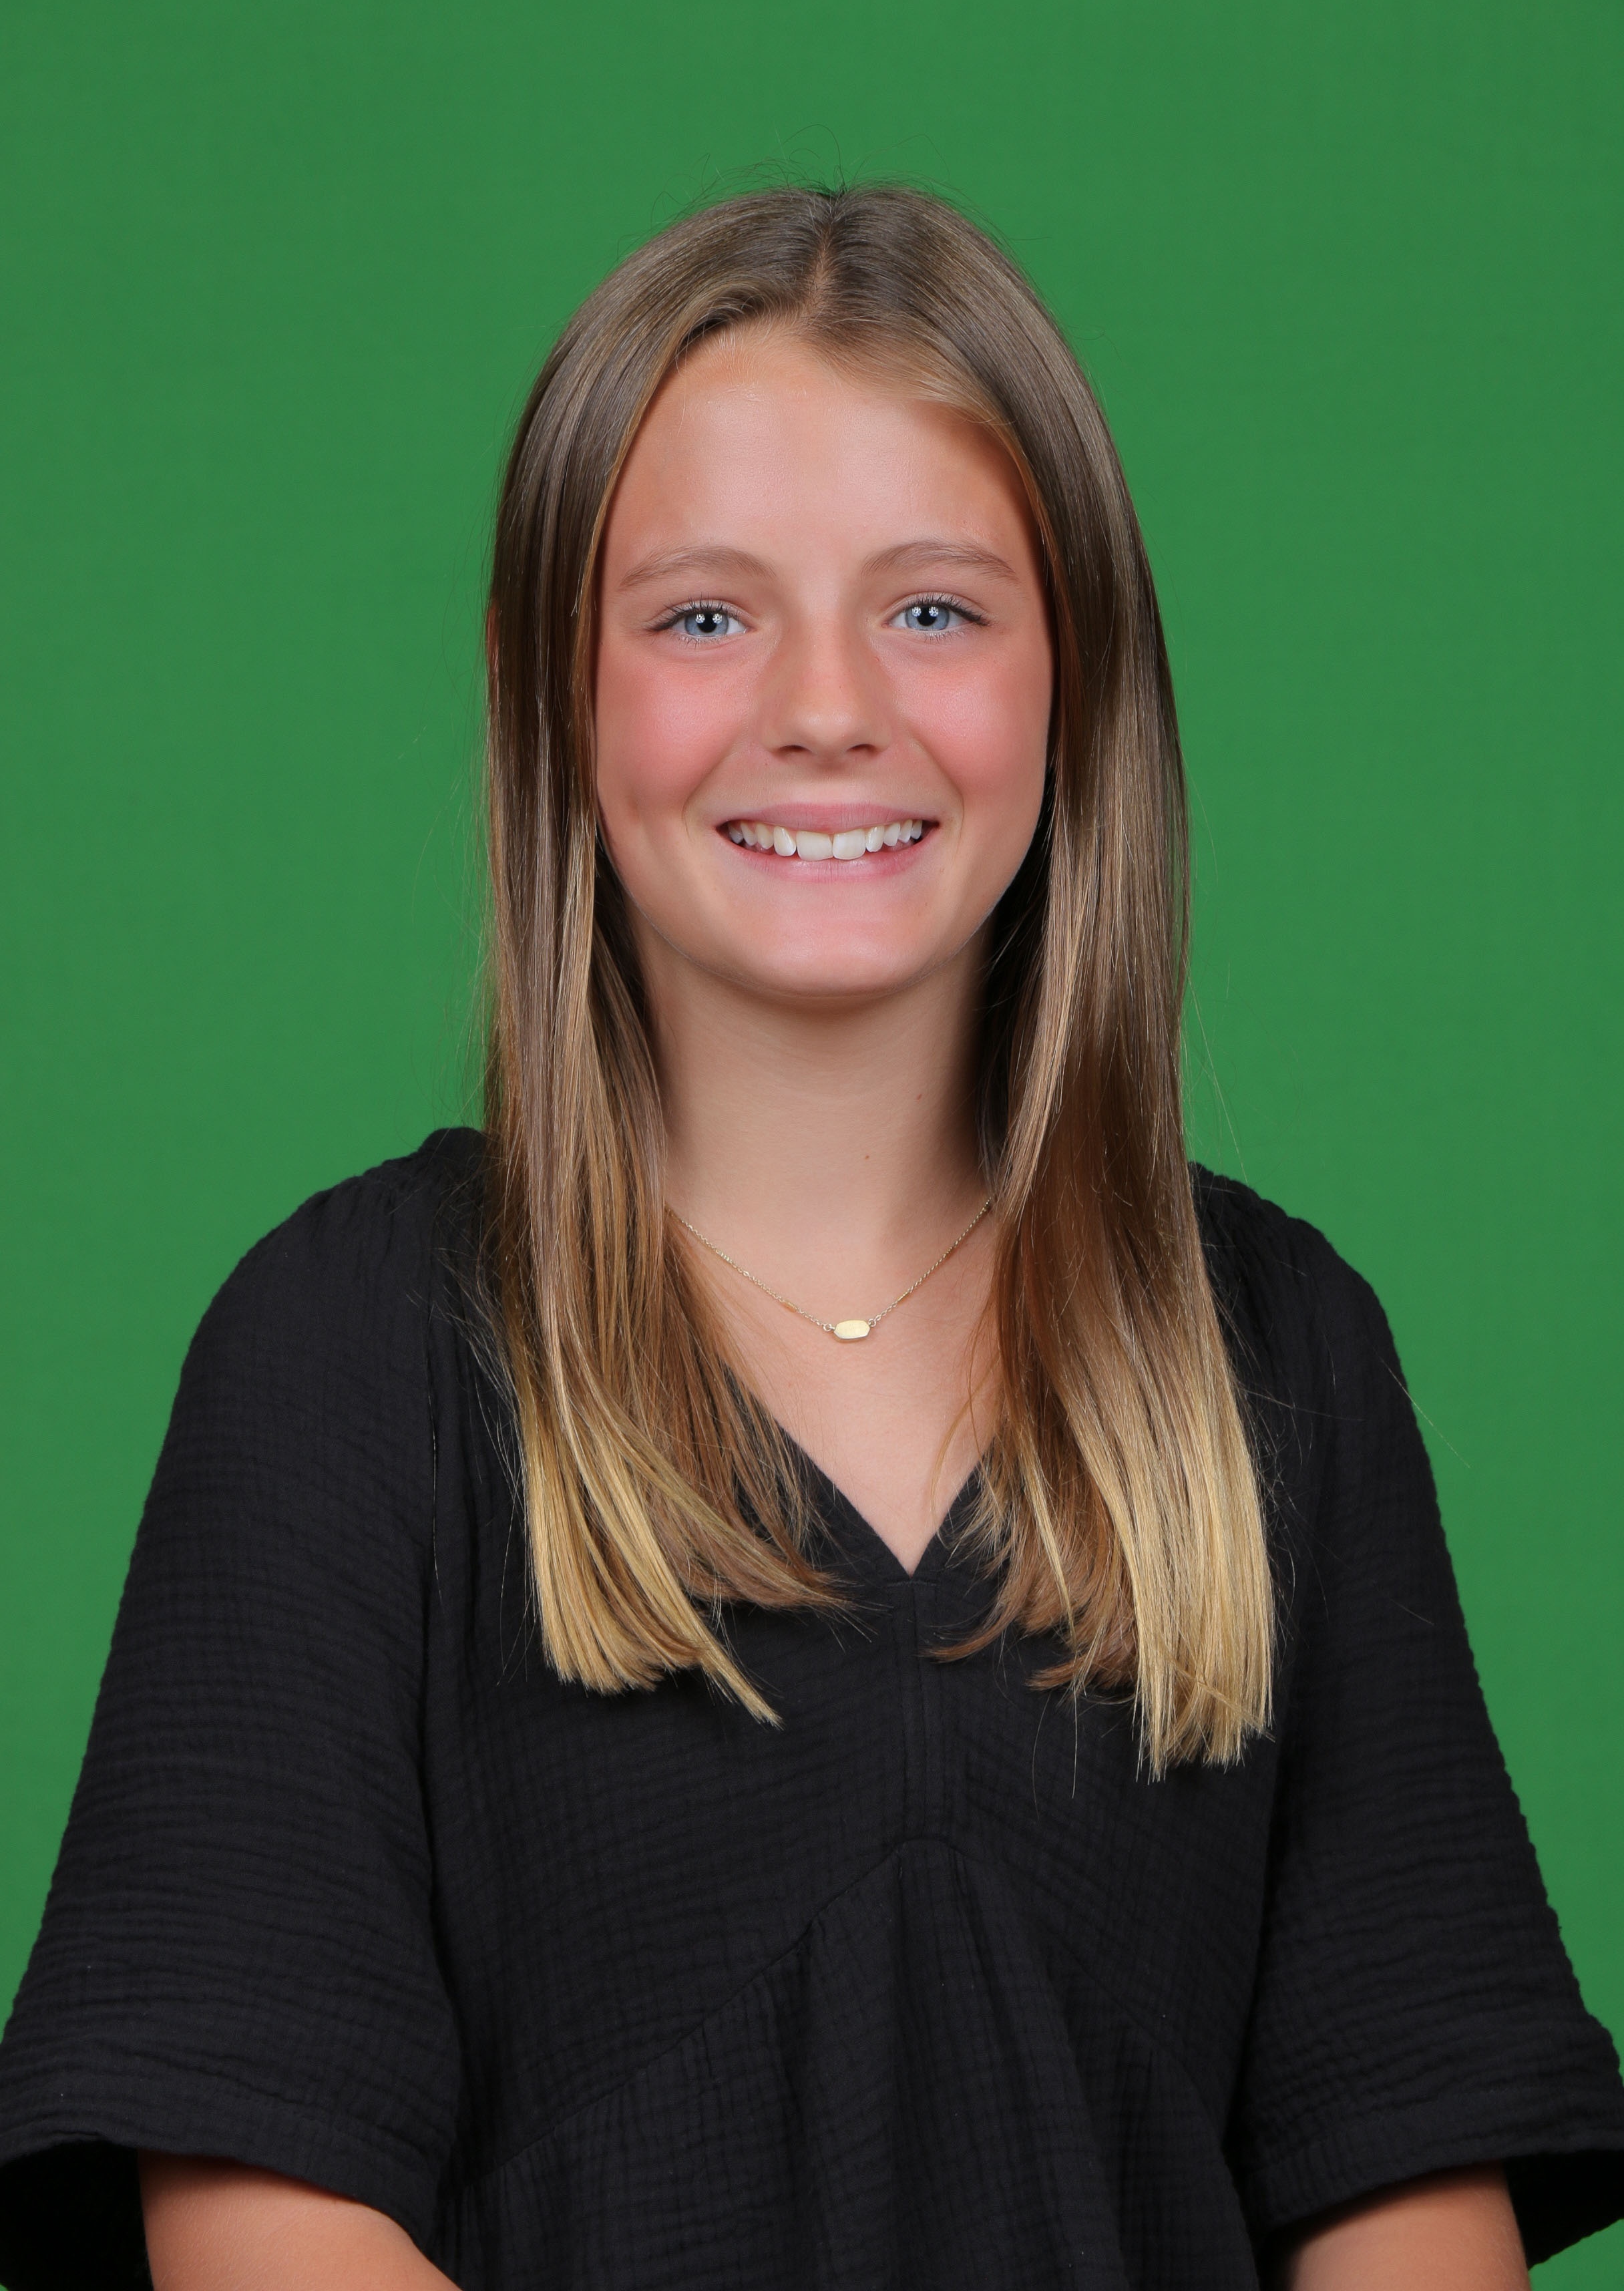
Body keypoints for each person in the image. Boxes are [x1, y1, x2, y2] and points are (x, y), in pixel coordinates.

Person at [0, 184, 1619, 2291]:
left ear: (1079, 680)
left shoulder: (1278, 1357)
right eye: (704, 619)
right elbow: (258, 2223)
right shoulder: (348, 1349)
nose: (829, 705)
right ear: (550, 692)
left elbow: (1408, 2195)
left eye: (935, 609)